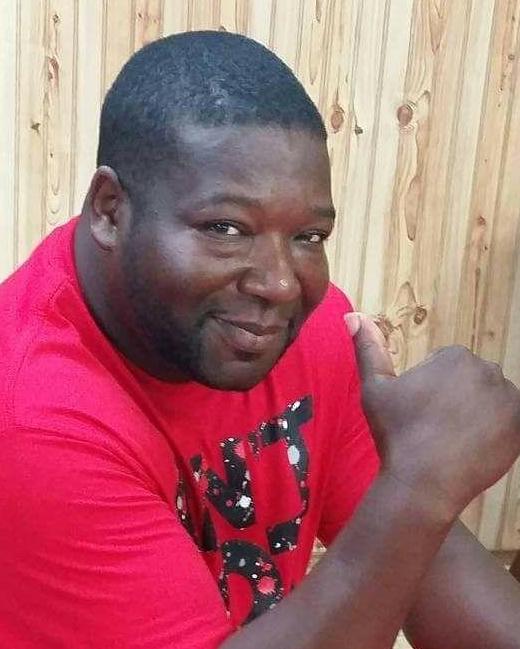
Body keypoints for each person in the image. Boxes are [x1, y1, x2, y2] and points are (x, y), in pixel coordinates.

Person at [0, 30, 519, 649]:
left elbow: (421, 558)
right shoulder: (31, 421)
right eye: (226, 228)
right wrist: (418, 489)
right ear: (110, 210)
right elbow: (405, 518)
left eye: (308, 237)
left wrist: (419, 485)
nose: (279, 284)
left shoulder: (297, 331)